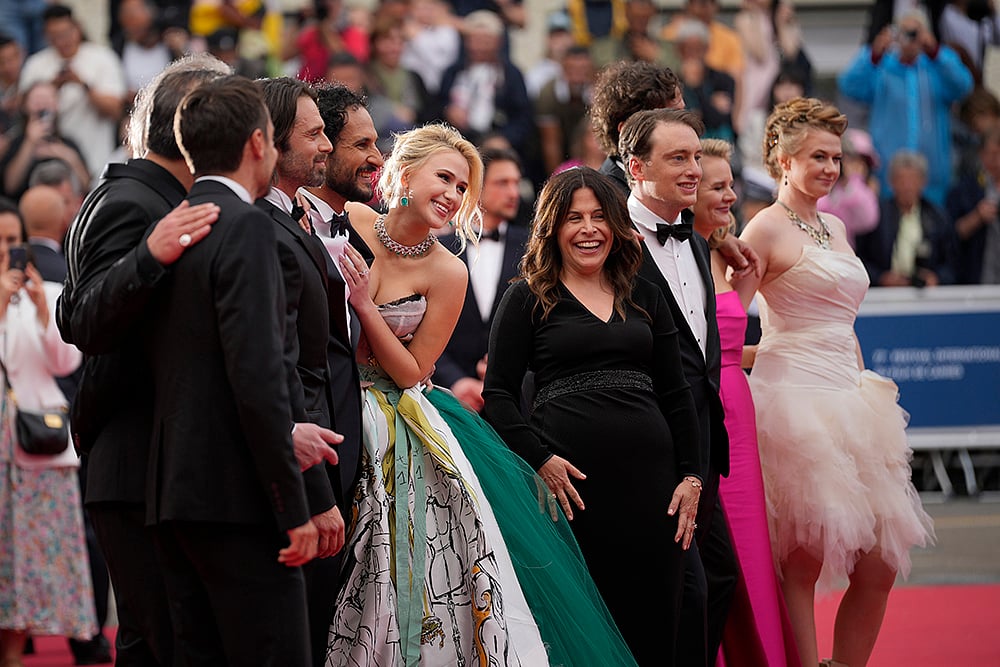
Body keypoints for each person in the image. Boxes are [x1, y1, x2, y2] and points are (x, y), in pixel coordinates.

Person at [326, 124, 636, 666]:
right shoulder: (345, 220)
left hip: (394, 420)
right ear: (404, 171)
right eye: (443, 178)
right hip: (325, 399)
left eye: (462, 187)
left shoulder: (449, 270)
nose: (452, 195)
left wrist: (365, 307)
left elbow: (413, 369)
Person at [731, 96, 935, 667]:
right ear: (783, 159)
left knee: (880, 562)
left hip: (853, 397)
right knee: (802, 559)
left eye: (836, 158)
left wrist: (856, 374)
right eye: (817, 156)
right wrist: (759, 357)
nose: (830, 168)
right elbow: (726, 323)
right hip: (795, 402)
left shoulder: (836, 225)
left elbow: (842, 320)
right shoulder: (764, 229)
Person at [482, 166, 702, 664]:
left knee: (655, 623)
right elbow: (497, 396)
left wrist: (692, 475)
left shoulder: (644, 294)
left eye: (600, 217)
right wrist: (539, 459)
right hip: (570, 493)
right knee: (581, 629)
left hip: (654, 491)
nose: (588, 229)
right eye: (574, 218)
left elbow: (678, 391)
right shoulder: (526, 298)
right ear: (553, 228)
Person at [57, 54, 228, 667]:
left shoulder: (150, 195)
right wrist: (151, 256)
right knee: (157, 643)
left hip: (155, 458)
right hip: (136, 460)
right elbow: (84, 320)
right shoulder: (134, 201)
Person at [617, 108, 739, 667]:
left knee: (716, 578)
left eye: (696, 156)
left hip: (703, 439)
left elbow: (701, 347)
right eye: (678, 158)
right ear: (636, 167)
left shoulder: (694, 241)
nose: (694, 169)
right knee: (681, 589)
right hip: (648, 440)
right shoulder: (609, 239)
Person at [692, 138, 800, 667]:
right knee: (714, 554)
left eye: (731, 184)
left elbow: (730, 343)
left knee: (749, 552)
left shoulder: (724, 254)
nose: (731, 196)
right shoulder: (666, 259)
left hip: (739, 406)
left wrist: (749, 292)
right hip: (703, 408)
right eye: (718, 186)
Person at [255, 76, 348, 667]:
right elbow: (282, 369)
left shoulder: (294, 220)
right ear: (271, 141)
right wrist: (312, 493)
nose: (326, 146)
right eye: (313, 134)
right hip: (292, 474)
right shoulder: (263, 228)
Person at [0, 196, 96, 667]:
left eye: (13, 242)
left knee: (29, 552)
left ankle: (17, 651)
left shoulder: (45, 294)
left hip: (35, 444)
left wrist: (41, 314)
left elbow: (66, 361)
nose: (7, 251)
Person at [838, 8, 973, 206]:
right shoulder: (883, 67)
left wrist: (935, 51)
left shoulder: (935, 67)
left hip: (932, 176)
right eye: (905, 32)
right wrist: (873, 55)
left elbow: (963, 86)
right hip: (888, 176)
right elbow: (849, 85)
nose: (910, 39)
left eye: (915, 33)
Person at [434, 146, 529, 412]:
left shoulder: (533, 248)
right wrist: (455, 380)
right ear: (475, 187)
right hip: (448, 399)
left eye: (516, 183)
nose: (513, 193)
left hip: (517, 400)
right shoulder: (438, 249)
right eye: (502, 183)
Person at [18, 4, 126, 179]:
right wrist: (51, 88)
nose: (62, 41)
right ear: (45, 36)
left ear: (78, 28)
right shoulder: (35, 64)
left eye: (66, 33)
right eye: (54, 36)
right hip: (50, 163)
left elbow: (115, 110)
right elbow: (22, 112)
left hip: (97, 157)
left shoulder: (102, 58)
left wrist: (82, 84)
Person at [856, 150, 958, 287]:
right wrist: (880, 277)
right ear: (891, 182)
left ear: (923, 182)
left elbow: (952, 265)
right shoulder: (876, 213)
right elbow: (858, 258)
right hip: (883, 295)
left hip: (927, 296)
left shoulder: (937, 217)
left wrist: (936, 278)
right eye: (901, 180)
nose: (907, 186)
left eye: (913, 180)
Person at [947, 124, 1000, 283]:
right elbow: (949, 238)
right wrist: (976, 217)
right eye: (992, 154)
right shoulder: (964, 190)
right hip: (976, 282)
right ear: (981, 155)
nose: (997, 160)